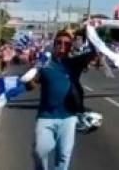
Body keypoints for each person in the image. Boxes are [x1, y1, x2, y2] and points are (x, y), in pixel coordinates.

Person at [24, 30, 97, 170]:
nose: (62, 46)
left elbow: (95, 53)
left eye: (67, 43)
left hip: (68, 117)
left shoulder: (74, 63)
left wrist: (89, 31)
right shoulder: (44, 63)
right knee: (39, 152)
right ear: (54, 44)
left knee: (64, 156)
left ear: (71, 46)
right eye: (59, 42)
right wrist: (28, 79)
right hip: (46, 117)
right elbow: (30, 86)